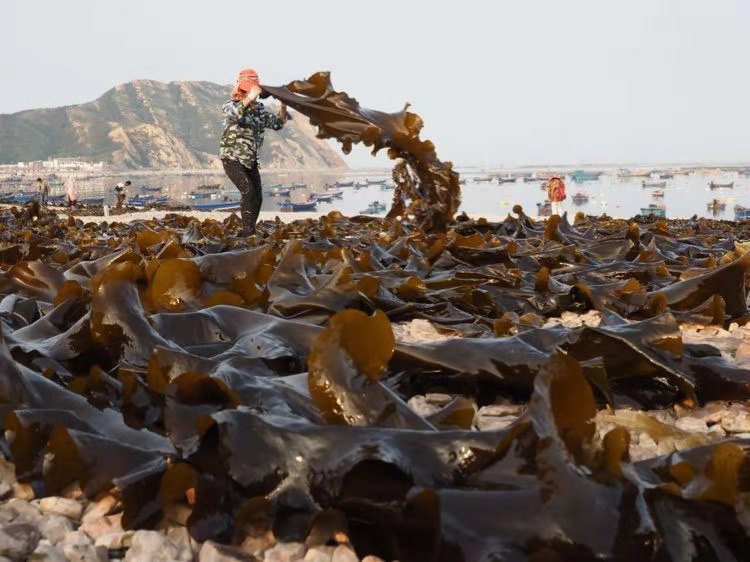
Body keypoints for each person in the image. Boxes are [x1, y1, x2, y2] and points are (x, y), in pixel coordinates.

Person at [220, 68, 288, 236]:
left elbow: (277, 123)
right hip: (232, 158)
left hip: (250, 160)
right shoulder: (231, 105)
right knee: (248, 192)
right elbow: (232, 116)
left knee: (258, 196)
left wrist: (284, 104)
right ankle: (248, 233)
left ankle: (250, 230)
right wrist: (250, 96)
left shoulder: (259, 109)